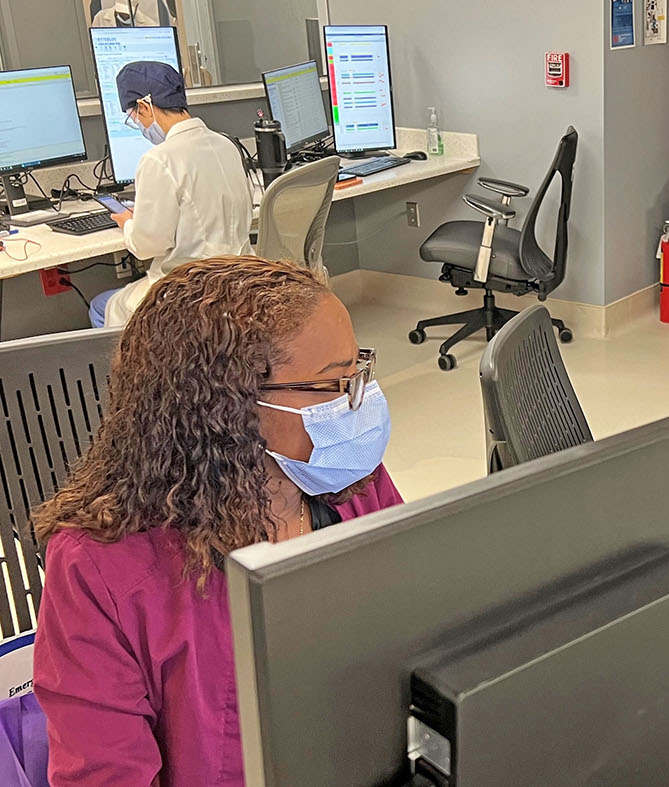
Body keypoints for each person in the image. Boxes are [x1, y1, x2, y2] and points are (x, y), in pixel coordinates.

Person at [33, 257, 404, 785]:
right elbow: (105, 774)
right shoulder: (101, 569)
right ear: (231, 407)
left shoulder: (353, 480)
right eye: (331, 385)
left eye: (358, 372)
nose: (356, 404)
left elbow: (415, 627)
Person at [89, 60, 253, 328]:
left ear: (144, 106)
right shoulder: (226, 144)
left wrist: (128, 223)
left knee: (101, 307)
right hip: (236, 286)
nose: (139, 125)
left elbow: (146, 246)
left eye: (135, 117)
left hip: (186, 294)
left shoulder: (159, 159)